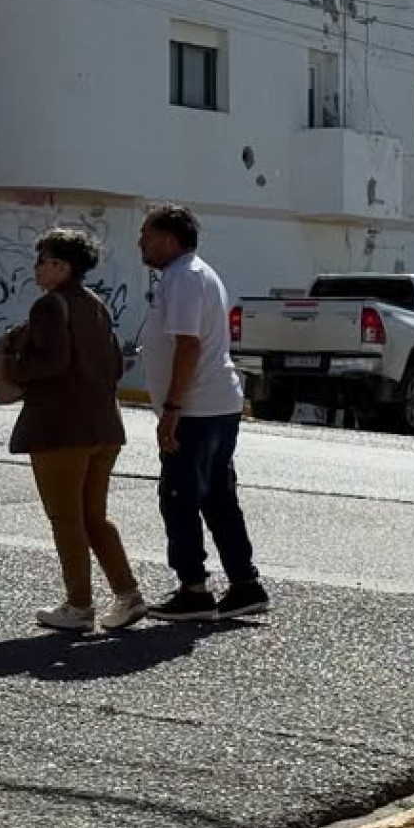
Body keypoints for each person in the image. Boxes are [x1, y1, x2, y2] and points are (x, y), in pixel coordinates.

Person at [5, 227, 143, 632]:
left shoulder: (50, 306)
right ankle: (128, 595)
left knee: (66, 518)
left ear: (61, 266)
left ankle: (79, 606)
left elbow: (52, 363)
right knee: (94, 517)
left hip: (61, 428)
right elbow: (115, 365)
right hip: (104, 426)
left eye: (42, 261)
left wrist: (13, 367)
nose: (36, 268)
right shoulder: (97, 305)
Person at [137, 205, 268, 622]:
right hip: (214, 405)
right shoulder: (193, 274)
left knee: (178, 497)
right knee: (217, 497)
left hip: (196, 408)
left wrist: (172, 408)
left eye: (147, 235)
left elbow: (188, 344)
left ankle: (193, 590)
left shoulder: (184, 277)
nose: (141, 243)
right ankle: (245, 585)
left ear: (171, 238)